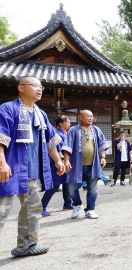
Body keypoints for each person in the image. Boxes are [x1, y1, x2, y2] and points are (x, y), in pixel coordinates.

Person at [0, 76, 65, 257]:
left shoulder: (40, 114)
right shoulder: (7, 109)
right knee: (2, 211)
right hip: (9, 168)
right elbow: (0, 137)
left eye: (41, 86)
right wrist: (2, 162)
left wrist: (58, 161)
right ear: (21, 87)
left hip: (32, 170)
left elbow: (50, 142)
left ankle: (26, 246)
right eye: (35, 85)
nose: (39, 89)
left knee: (32, 209)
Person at [62, 110, 109, 219]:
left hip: (92, 165)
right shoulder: (73, 130)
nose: (91, 118)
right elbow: (67, 146)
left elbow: (102, 145)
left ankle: (90, 210)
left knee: (93, 189)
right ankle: (77, 204)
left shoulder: (96, 130)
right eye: (88, 116)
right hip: (76, 165)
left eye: (92, 116)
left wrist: (102, 157)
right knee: (72, 187)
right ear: (81, 118)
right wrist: (66, 161)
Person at [41, 115, 73, 217]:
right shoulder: (57, 134)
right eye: (67, 122)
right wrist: (61, 162)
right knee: (55, 186)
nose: (69, 123)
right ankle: (41, 207)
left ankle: (68, 204)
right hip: (58, 163)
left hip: (66, 163)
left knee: (67, 183)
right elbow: (58, 151)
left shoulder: (66, 133)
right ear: (60, 123)